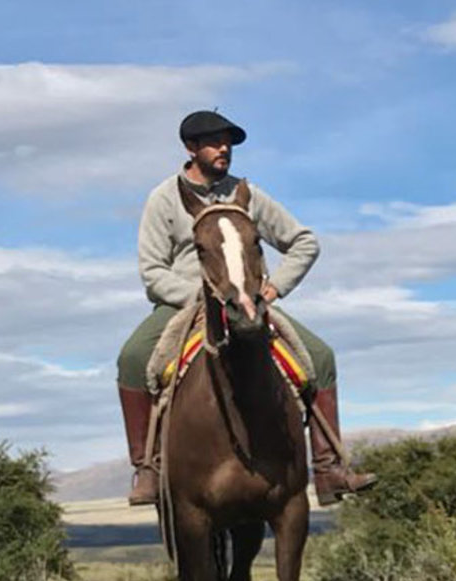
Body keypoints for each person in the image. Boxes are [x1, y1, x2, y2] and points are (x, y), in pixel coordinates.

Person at [115, 109, 375, 507]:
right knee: (133, 358)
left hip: (247, 300)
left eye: (229, 143)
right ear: (191, 148)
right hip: (184, 301)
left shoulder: (247, 194)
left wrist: (272, 289)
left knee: (320, 357)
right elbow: (152, 270)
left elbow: (304, 241)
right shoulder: (164, 198)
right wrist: (199, 297)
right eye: (215, 142)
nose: (225, 149)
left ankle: (327, 469)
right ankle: (147, 468)